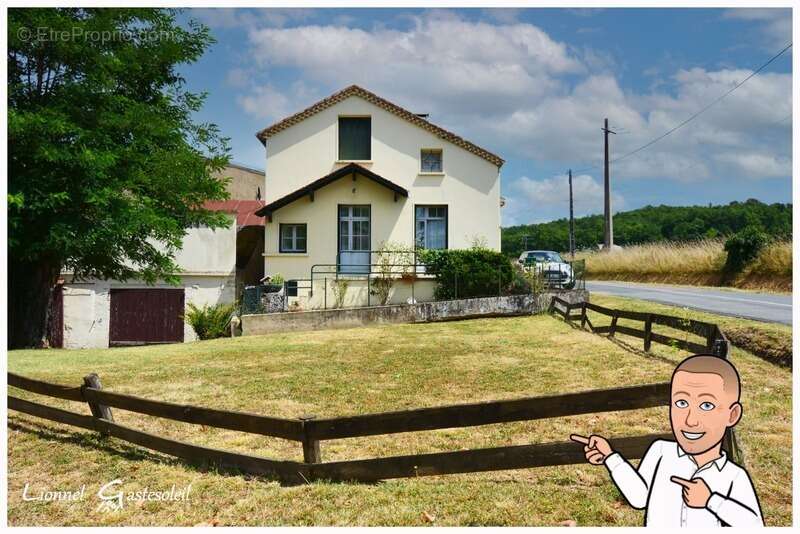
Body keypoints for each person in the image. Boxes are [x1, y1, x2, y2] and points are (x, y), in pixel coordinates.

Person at [571, 354, 763, 527]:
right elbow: (639, 498)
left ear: (732, 415)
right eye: (681, 403)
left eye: (706, 405)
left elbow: (755, 526)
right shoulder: (661, 451)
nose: (690, 420)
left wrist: (711, 501)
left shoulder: (734, 476)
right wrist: (610, 457)